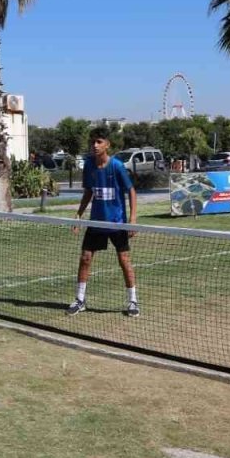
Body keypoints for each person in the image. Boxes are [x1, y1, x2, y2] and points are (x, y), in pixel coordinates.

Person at [69, 127, 140, 317]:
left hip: (117, 223)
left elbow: (131, 191)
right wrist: (78, 215)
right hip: (96, 222)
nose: (95, 145)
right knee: (85, 258)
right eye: (93, 142)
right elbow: (89, 192)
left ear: (107, 144)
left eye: (99, 141)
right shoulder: (89, 165)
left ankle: (132, 301)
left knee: (124, 260)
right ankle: (80, 299)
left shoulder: (116, 166)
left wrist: (132, 219)